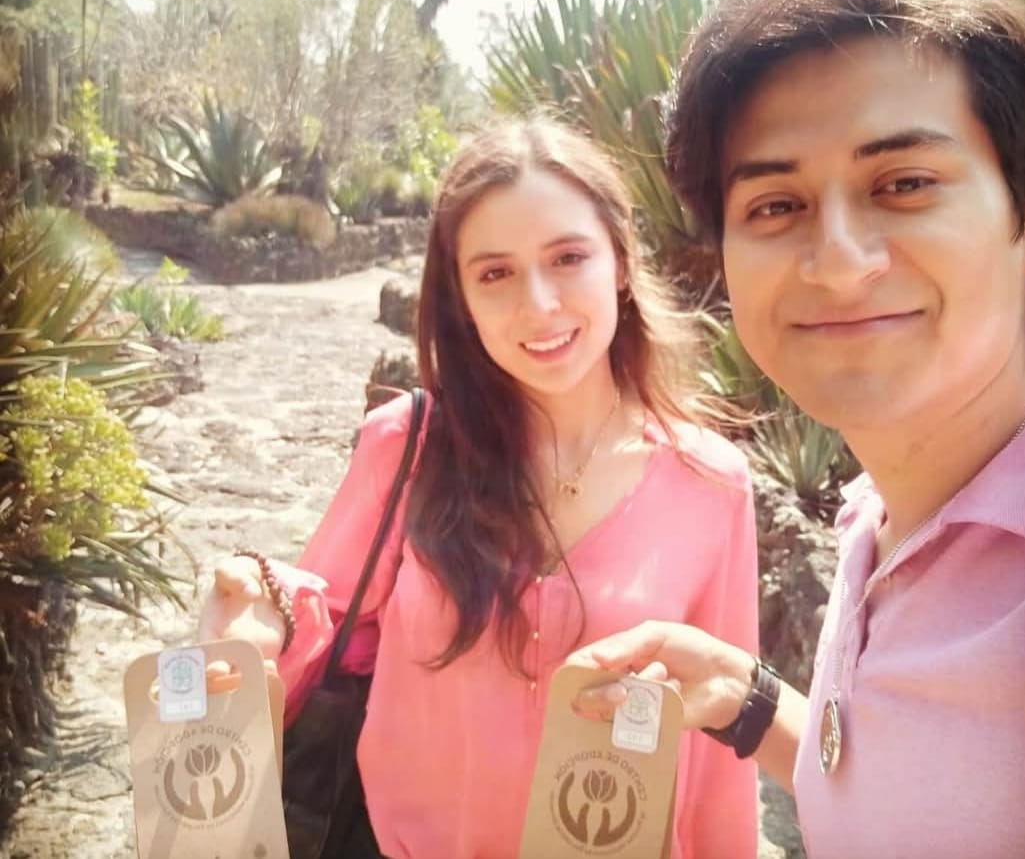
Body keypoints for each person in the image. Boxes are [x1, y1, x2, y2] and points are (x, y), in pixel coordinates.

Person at [568, 0, 1025, 859]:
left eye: (905, 183)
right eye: (776, 205)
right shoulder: (880, 510)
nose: (839, 263)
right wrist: (753, 701)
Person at [198, 117, 761, 858]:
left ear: (622, 263)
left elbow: (719, 754)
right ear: (461, 296)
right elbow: (325, 628)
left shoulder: (710, 484)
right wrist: (259, 615)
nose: (539, 303)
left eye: (568, 258)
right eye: (495, 273)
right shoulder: (408, 447)